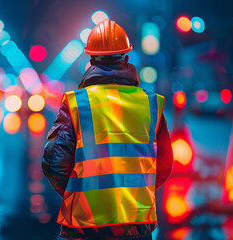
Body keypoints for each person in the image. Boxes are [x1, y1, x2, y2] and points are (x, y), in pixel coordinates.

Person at [42, 18, 173, 240]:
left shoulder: (77, 103)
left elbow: (54, 162)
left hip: (86, 227)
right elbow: (164, 164)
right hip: (136, 225)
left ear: (91, 58)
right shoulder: (151, 103)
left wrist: (78, 193)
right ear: (126, 57)